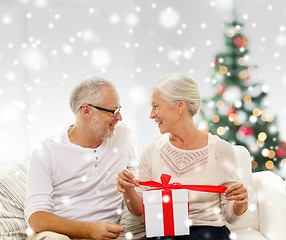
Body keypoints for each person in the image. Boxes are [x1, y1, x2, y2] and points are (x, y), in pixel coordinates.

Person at [117, 74, 248, 240]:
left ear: (180, 106)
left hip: (209, 232)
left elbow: (230, 217)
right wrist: (128, 189)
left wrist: (239, 204)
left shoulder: (220, 150)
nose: (151, 115)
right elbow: (140, 211)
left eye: (156, 106)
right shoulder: (152, 151)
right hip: (166, 231)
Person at [25, 77, 136, 240]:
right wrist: (90, 230)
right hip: (58, 235)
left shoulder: (122, 135)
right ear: (86, 111)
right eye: (112, 111)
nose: (119, 117)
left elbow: (137, 177)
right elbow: (36, 218)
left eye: (118, 109)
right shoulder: (46, 151)